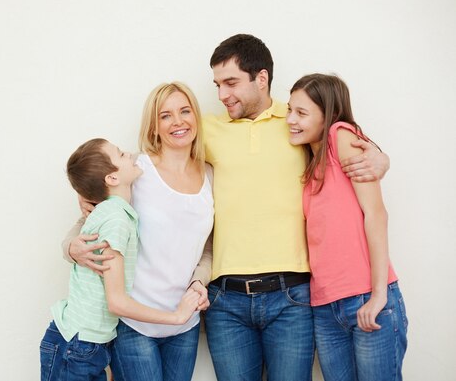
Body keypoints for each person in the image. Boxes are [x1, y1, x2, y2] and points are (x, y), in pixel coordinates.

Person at [201, 34, 390, 381]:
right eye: (217, 85)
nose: (222, 95)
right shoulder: (207, 129)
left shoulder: (296, 126)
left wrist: (379, 157)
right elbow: (156, 167)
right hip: (225, 300)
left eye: (231, 82)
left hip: (292, 297)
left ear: (261, 78)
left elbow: (341, 138)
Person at [62, 82, 215, 381]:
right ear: (154, 126)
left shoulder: (210, 173)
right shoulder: (136, 170)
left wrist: (199, 282)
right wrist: (70, 248)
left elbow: (208, 247)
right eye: (166, 115)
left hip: (185, 324)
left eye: (185, 111)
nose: (178, 121)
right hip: (134, 324)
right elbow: (86, 224)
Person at [40, 138, 200, 381]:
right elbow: (117, 302)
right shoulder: (116, 220)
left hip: (89, 344)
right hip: (75, 346)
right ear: (112, 179)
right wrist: (176, 317)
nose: (130, 155)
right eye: (122, 154)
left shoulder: (114, 212)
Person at [286, 73, 407, 381]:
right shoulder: (311, 162)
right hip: (325, 307)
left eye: (301, 113)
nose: (290, 120)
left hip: (367, 296)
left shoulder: (340, 135)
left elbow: (376, 215)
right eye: (289, 110)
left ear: (327, 115)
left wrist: (378, 295)